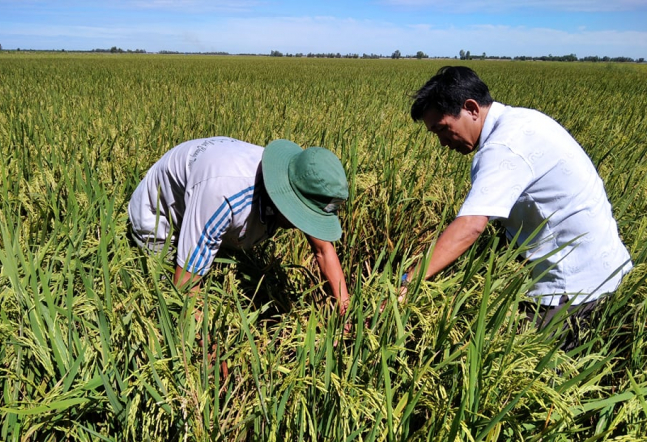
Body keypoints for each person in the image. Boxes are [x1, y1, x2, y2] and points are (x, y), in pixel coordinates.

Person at [402, 66, 632, 345]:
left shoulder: (504, 147)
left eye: (442, 129)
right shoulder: (523, 119)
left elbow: (471, 226)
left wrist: (408, 283)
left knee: (508, 358)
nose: (441, 143)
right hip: (606, 267)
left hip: (571, 285)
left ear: (471, 108)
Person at [128, 136, 350, 315]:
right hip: (159, 218)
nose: (304, 225)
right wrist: (208, 348)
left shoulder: (293, 176)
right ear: (286, 194)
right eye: (303, 215)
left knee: (217, 250)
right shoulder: (223, 195)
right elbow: (184, 286)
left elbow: (323, 249)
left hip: (206, 197)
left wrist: (344, 307)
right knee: (167, 285)